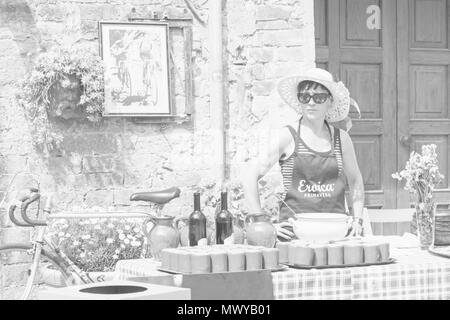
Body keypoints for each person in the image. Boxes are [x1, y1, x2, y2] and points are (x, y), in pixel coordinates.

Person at [242, 68, 365, 241]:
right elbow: (250, 175)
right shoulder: (287, 137)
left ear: (329, 101)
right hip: (295, 235)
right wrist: (260, 222)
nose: (311, 103)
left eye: (319, 97)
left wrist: (358, 220)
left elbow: (355, 180)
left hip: (335, 234)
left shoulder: (341, 139)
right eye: (305, 97)